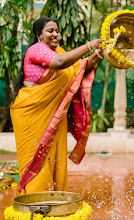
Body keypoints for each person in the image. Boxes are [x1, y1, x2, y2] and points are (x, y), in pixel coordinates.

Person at [10, 17, 103, 194]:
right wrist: (89, 46)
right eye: (50, 31)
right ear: (38, 34)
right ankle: (36, 201)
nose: (55, 34)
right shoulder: (36, 49)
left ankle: (53, 198)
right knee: (36, 156)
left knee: (54, 158)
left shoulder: (59, 51)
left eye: (57, 31)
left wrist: (101, 52)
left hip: (53, 114)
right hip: (32, 114)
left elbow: (81, 68)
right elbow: (59, 63)